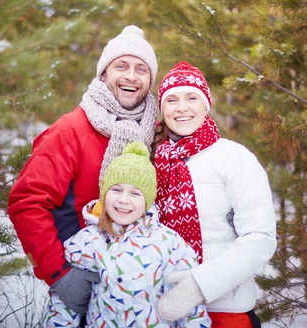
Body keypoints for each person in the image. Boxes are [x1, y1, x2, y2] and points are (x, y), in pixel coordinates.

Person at [7, 25, 159, 315]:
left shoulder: (156, 133)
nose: (131, 75)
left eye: (142, 69)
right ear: (103, 74)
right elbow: (27, 203)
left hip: (140, 290)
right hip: (82, 279)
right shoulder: (70, 130)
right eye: (121, 66)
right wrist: (60, 275)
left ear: (149, 80)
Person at [152, 61, 277, 328]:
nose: (182, 107)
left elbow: (260, 237)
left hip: (224, 310)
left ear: (206, 105)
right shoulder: (151, 160)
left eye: (191, 98)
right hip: (157, 308)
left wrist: (199, 286)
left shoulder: (233, 157)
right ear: (162, 109)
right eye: (172, 100)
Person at [46, 141, 211, 328]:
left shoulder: (169, 244)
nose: (123, 200)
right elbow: (64, 308)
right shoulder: (86, 242)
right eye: (116, 189)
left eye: (135, 193)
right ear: (104, 193)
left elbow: (189, 307)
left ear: (148, 200)